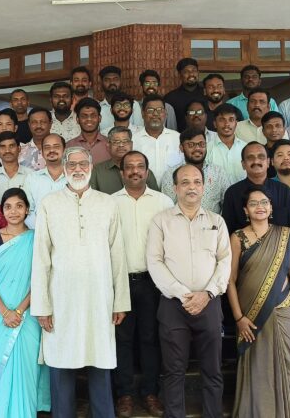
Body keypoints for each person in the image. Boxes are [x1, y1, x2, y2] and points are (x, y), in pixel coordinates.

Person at [31, 147, 130, 418]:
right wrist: (42, 306)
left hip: (100, 298)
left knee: (100, 361)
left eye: (82, 163)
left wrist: (120, 300)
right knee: (61, 362)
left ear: (90, 166)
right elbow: (41, 257)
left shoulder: (107, 203)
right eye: (71, 164)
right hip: (61, 298)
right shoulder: (49, 203)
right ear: (64, 168)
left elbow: (117, 254)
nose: (77, 168)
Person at [146, 164, 232, 417]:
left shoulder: (217, 221)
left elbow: (225, 260)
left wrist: (207, 294)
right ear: (175, 188)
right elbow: (155, 261)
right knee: (173, 370)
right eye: (185, 182)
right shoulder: (161, 221)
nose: (191, 187)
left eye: (196, 182)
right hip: (174, 305)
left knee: (212, 369)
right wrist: (184, 294)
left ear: (204, 187)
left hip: (210, 302)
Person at [225, 185, 290, 417]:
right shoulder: (238, 237)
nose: (259, 207)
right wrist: (239, 318)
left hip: (283, 310)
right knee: (255, 366)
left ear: (271, 207)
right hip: (249, 315)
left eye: (264, 203)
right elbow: (229, 280)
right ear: (245, 210)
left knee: (285, 365)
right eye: (253, 203)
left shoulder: (284, 234)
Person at [0, 188, 51, 417]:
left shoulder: (36, 238)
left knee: (27, 368)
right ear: (2, 210)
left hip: (28, 314)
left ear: (27, 210)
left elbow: (41, 277)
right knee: (3, 367)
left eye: (19, 206)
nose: (14, 211)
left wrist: (19, 310)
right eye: (8, 206)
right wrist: (4, 312)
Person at [112, 151, 172, 417]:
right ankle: (124, 394)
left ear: (147, 172)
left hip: (153, 282)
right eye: (129, 167)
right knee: (121, 339)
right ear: (122, 172)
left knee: (150, 338)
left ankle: (150, 392)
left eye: (140, 167)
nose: (135, 171)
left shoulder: (163, 201)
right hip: (120, 282)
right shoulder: (109, 203)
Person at [221, 141, 290, 232]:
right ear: (243, 164)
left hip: (281, 245)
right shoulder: (232, 193)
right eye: (250, 158)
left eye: (261, 157)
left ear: (268, 162)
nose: (256, 161)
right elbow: (227, 231)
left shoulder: (283, 190)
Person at [159, 128, 233, 214]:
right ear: (181, 148)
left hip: (212, 225)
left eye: (201, 144)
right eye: (191, 145)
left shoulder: (218, 172)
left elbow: (228, 204)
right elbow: (168, 207)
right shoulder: (170, 175)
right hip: (180, 225)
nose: (197, 148)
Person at [89, 127, 159, 195]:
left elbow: (156, 198)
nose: (121, 145)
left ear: (131, 145)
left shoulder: (144, 171)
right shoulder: (97, 171)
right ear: (108, 146)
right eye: (116, 142)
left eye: (125, 141)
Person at [24, 133, 67, 228]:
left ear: (64, 150)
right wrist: (42, 229)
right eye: (47, 147)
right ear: (42, 153)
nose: (51, 150)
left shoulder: (73, 178)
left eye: (56, 146)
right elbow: (27, 210)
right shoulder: (32, 178)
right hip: (37, 233)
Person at [132, 94, 182, 174]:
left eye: (159, 110)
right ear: (142, 114)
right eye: (150, 110)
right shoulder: (134, 140)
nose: (155, 114)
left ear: (165, 113)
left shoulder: (177, 138)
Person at [206, 103, 248, 181]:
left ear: (236, 123)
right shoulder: (207, 150)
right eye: (222, 120)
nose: (227, 124)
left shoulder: (246, 148)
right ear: (215, 124)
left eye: (231, 120)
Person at [163, 58, 205, 131]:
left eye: (194, 70)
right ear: (180, 75)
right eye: (186, 72)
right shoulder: (170, 98)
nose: (191, 74)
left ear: (198, 72)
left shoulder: (206, 94)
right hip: (179, 139)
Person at [98, 66, 144, 131]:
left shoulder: (133, 104)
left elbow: (140, 130)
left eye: (115, 79)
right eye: (107, 80)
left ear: (121, 81)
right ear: (101, 83)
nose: (112, 83)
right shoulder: (98, 108)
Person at [0, 131, 32, 203]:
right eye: (3, 147)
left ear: (19, 149)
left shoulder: (31, 175)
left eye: (11, 146)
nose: (7, 151)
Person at [70, 97, 110, 163]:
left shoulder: (110, 145)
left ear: (100, 118)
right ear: (77, 120)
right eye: (84, 116)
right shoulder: (69, 146)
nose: (89, 119)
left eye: (93, 115)